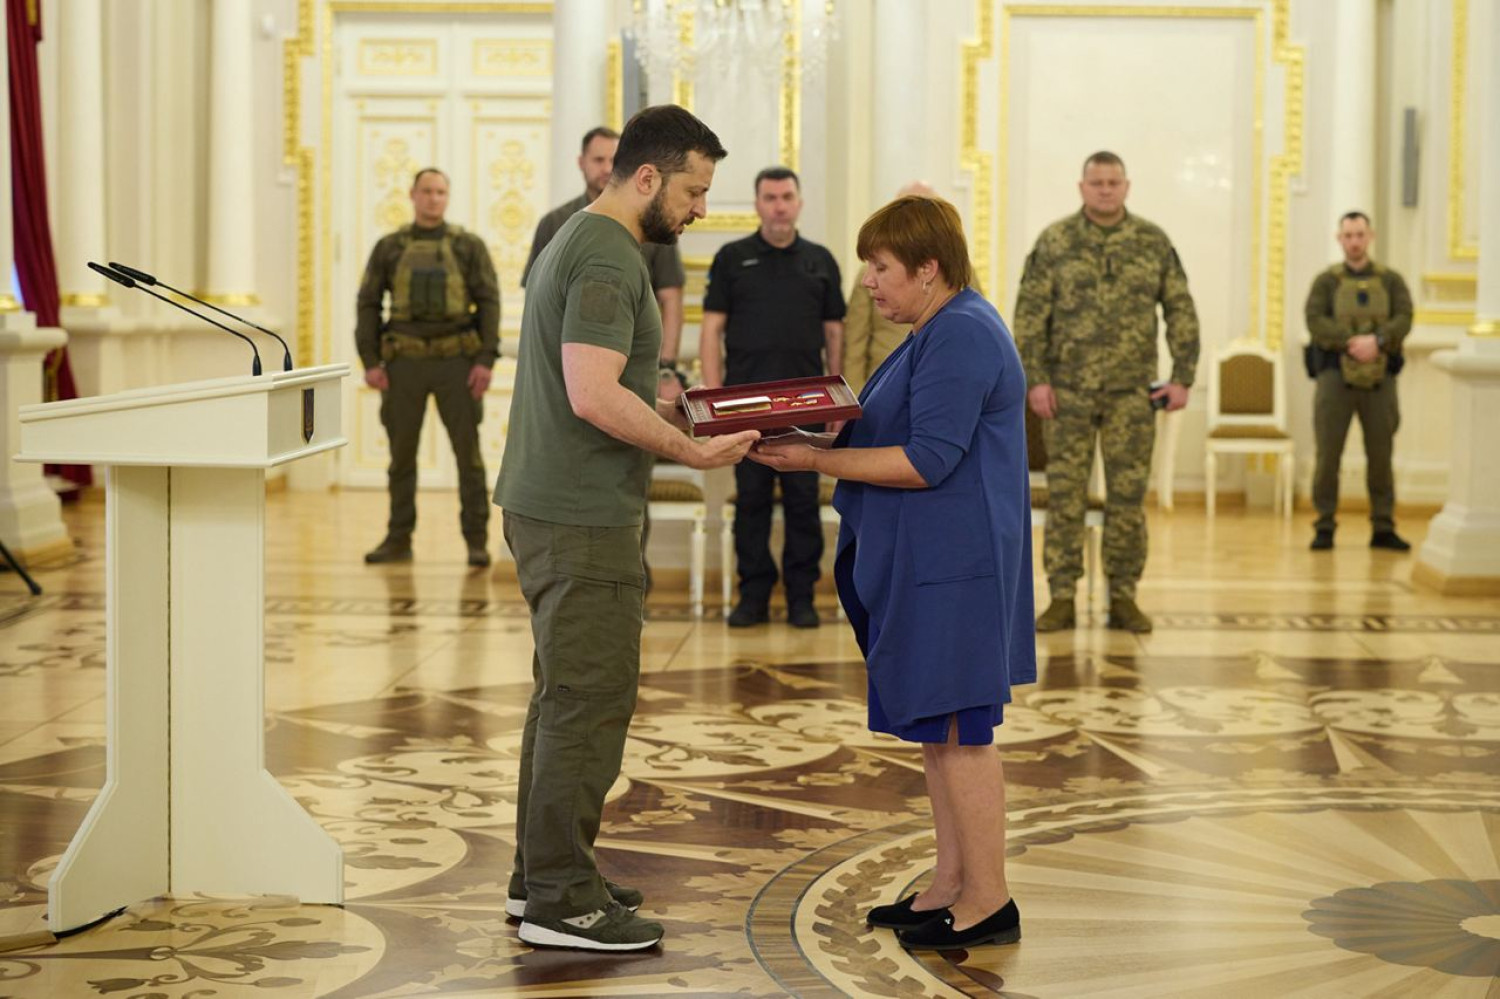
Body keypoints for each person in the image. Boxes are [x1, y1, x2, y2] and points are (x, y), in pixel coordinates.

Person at [493, 105, 756, 952]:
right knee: (588, 703)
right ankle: (563, 902)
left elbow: (604, 376)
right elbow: (592, 393)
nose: (700, 209)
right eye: (693, 190)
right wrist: (692, 450)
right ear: (647, 177)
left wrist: (674, 406)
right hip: (582, 514)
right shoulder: (608, 251)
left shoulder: (579, 235)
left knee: (561, 700)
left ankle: (541, 876)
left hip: (552, 502)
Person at [751, 194, 1035, 951]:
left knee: (962, 732)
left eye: (880, 267)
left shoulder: (962, 332)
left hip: (958, 564)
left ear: (928, 267)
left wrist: (813, 461)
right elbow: (885, 428)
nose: (869, 281)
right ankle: (950, 882)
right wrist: (809, 435)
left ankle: (990, 899)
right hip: (935, 558)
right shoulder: (934, 329)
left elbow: (927, 459)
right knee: (938, 728)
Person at [1014, 151, 1199, 634]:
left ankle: (1123, 596)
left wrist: (1183, 376)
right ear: (1082, 187)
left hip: (1131, 395)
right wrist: (1035, 379)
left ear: (1126, 186)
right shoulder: (1055, 241)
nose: (1105, 190)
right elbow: (1029, 316)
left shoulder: (1152, 241)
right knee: (1066, 497)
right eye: (1096, 182)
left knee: (1127, 498)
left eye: (1113, 182)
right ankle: (1061, 596)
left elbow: (1180, 308)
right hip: (1067, 393)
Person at [699, 166, 846, 629]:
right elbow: (711, 331)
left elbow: (834, 334)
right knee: (752, 501)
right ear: (757, 204)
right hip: (745, 404)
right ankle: (753, 597)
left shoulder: (820, 260)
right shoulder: (732, 258)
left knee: (803, 501)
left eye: (786, 197)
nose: (779, 206)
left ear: (798, 203)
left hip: (807, 404)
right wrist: (714, 402)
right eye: (770, 197)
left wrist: (837, 403)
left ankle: (802, 597)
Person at [356, 167, 500, 568]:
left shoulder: (468, 246)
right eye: (426, 191)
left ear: (447, 197)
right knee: (401, 457)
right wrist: (370, 360)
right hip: (404, 364)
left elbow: (489, 301)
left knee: (468, 457)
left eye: (440, 192)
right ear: (413, 195)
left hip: (457, 362)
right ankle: (398, 537)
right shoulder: (389, 247)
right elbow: (368, 303)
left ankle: (476, 540)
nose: (433, 198)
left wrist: (485, 360)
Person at [522, 126, 688, 381]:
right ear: (581, 162)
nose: (607, 168)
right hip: (563, 367)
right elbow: (536, 298)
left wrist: (666, 368)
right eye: (599, 160)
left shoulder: (653, 225)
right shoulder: (554, 223)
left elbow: (671, 298)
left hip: (634, 362)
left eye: (614, 160)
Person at [1304, 211, 1414, 552]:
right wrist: (1351, 342)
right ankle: (1324, 525)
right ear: (1340, 239)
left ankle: (1383, 526)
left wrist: (1377, 342)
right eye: (1348, 235)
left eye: (1360, 234)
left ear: (1370, 236)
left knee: (1381, 455)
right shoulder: (1326, 282)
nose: (1354, 241)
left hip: (1380, 380)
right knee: (1328, 456)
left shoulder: (1391, 281)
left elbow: (1404, 317)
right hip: (1335, 378)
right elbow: (1314, 319)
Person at [843, 182, 937, 392]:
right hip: (882, 382)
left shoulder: (959, 272)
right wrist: (854, 397)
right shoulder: (869, 275)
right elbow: (856, 343)